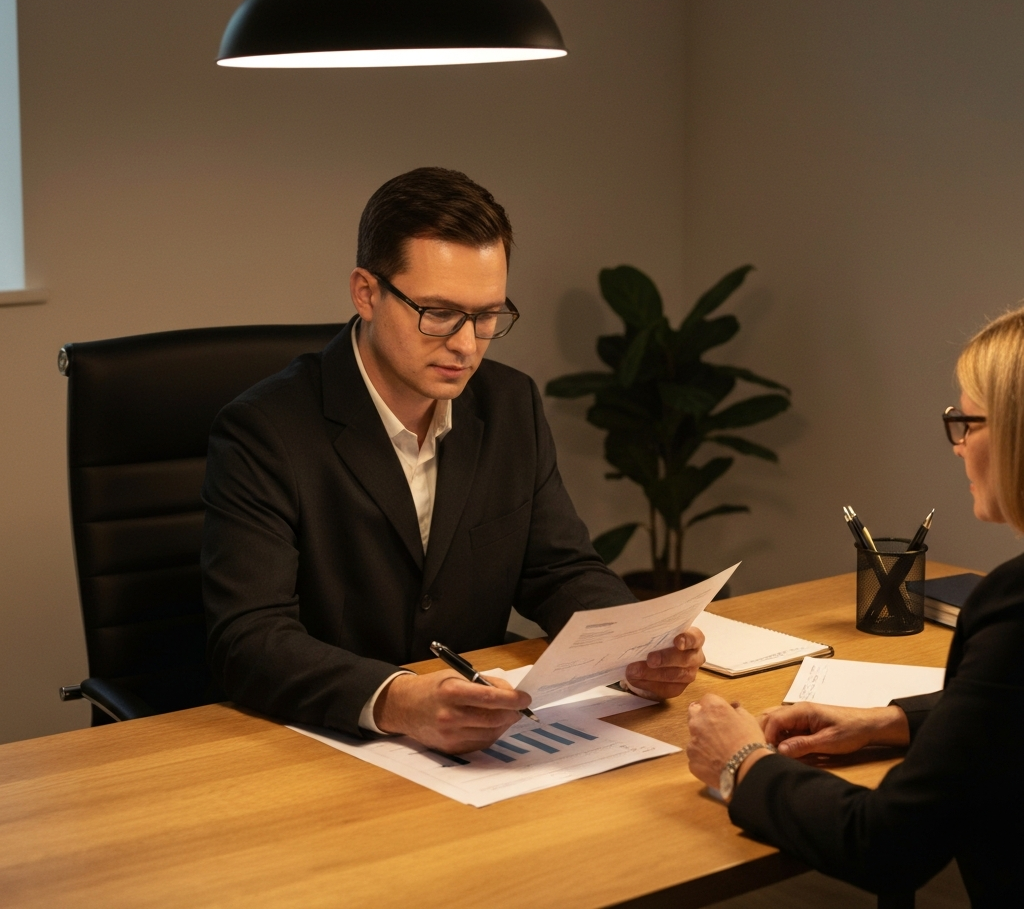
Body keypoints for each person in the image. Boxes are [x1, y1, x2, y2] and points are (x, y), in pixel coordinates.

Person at [202, 167, 706, 754]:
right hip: (320, 743)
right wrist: (396, 698)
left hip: (480, 736)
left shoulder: (509, 403)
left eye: (488, 315)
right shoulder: (266, 430)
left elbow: (559, 569)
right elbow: (249, 636)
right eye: (439, 313)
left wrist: (633, 648)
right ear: (366, 292)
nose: (467, 345)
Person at [686, 308, 1024, 906]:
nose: (959, 447)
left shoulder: (1015, 606)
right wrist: (895, 722)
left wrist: (740, 761)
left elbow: (887, 844)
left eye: (967, 422)